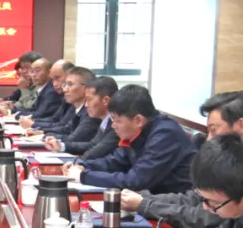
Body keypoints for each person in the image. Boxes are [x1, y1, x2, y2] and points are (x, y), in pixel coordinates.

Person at [124, 91, 243, 228]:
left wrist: (145, 205)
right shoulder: (229, 160)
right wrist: (142, 198)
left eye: (214, 130)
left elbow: (203, 218)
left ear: (241, 126)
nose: (209, 138)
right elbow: (192, 198)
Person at [65, 85, 195, 193]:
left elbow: (136, 181)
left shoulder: (165, 135)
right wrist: (83, 165)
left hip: (172, 204)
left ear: (138, 120)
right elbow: (115, 160)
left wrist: (84, 176)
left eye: (117, 121)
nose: (113, 126)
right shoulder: (139, 130)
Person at [59, 76, 119, 159]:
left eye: (89, 99)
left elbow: (96, 152)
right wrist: (62, 146)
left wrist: (77, 162)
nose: (86, 105)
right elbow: (92, 145)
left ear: (105, 100)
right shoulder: (105, 120)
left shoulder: (117, 124)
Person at [40, 66, 98, 145]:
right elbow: (66, 129)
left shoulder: (90, 111)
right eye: (65, 84)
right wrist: (41, 132)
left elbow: (74, 138)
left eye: (70, 84)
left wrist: (45, 135)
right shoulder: (77, 107)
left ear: (86, 88)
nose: (65, 89)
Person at [18, 59, 70, 125]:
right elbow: (55, 119)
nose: (54, 84)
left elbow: (64, 126)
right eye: (32, 71)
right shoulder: (65, 97)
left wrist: (33, 124)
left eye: (57, 78)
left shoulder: (53, 92)